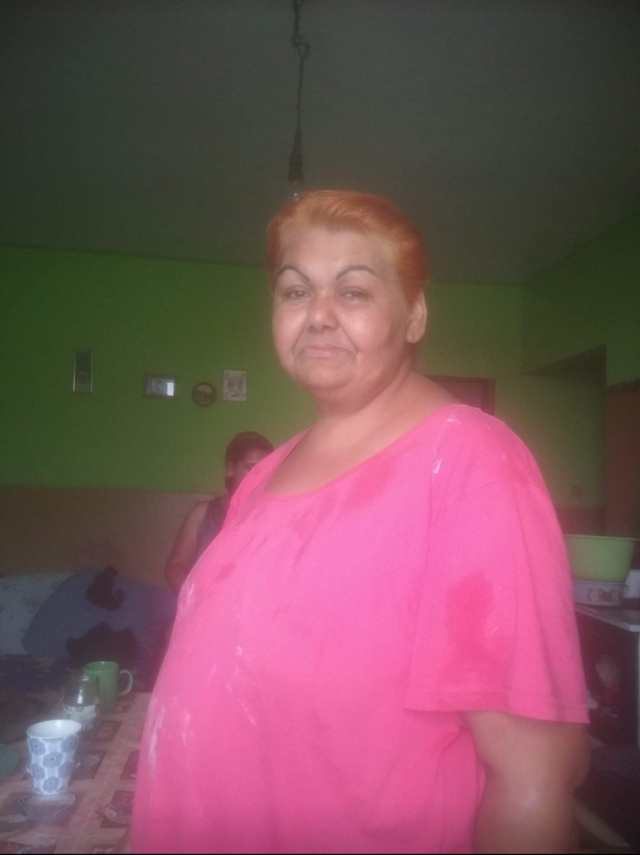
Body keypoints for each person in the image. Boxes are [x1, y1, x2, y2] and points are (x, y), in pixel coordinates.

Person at [133, 191, 589, 855]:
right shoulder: (264, 475)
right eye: (295, 291)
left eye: (353, 291)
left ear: (414, 315)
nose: (318, 314)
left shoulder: (470, 463)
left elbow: (534, 777)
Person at [164, 431, 273, 595]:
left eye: (267, 470)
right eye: (251, 469)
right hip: (203, 604)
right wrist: (196, 600)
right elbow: (176, 566)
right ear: (231, 469)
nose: (260, 477)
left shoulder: (275, 516)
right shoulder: (203, 514)